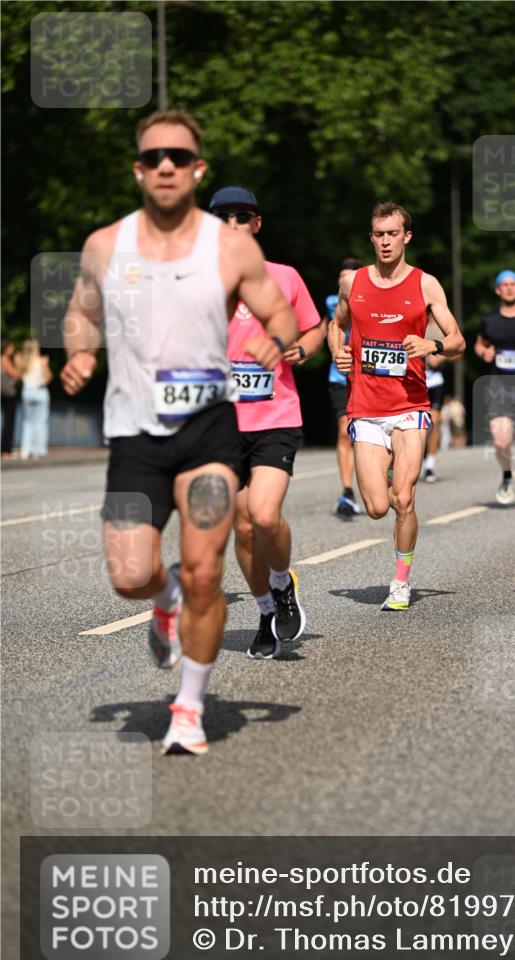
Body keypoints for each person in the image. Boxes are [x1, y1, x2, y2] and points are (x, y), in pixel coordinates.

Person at [61, 110, 298, 754]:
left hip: (208, 438)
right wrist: (81, 352)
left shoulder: (231, 248)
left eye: (178, 155)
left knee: (204, 573)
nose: (165, 165)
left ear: (197, 169)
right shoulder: (107, 245)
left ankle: (188, 707)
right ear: (139, 170)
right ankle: (160, 598)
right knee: (129, 574)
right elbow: (82, 311)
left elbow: (278, 310)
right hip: (136, 436)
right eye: (153, 156)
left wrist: (280, 342)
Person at [329, 201, 465, 610]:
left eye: (392, 234)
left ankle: (401, 581)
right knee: (375, 507)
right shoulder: (353, 283)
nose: (385, 242)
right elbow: (335, 325)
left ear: (406, 236)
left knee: (403, 498)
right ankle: (385, 466)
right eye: (378, 234)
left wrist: (432, 344)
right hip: (367, 408)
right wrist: (338, 353)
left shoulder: (426, 285)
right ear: (371, 238)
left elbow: (457, 340)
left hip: (410, 406)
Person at [208, 185, 322, 659]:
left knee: (265, 514)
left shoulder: (284, 278)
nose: (233, 223)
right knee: (243, 529)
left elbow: (315, 329)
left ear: (257, 224)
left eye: (242, 215)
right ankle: (263, 612)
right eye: (223, 216)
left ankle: (282, 585)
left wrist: (303, 348)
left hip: (276, 415)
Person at [475, 270, 515, 510]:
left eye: (514, 284)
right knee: (501, 443)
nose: (510, 288)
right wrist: (485, 352)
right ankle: (506, 476)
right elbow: (479, 344)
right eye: (505, 285)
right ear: (498, 290)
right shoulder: (490, 320)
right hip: (499, 388)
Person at [322, 258, 364, 517]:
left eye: (348, 276)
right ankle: (347, 491)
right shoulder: (330, 302)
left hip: (370, 376)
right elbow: (329, 327)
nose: (342, 281)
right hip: (340, 377)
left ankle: (386, 472)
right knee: (343, 431)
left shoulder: (374, 300)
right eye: (341, 276)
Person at [422, 318, 449, 483]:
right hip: (411, 378)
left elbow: (458, 350)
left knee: (435, 420)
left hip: (434, 380)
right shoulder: (408, 317)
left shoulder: (441, 324)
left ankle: (430, 464)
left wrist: (442, 357)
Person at [18, 339, 52, 460]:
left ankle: (25, 450)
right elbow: (48, 377)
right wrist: (45, 365)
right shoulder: (41, 361)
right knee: (41, 422)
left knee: (27, 422)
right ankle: (40, 450)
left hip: (27, 392)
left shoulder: (22, 361)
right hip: (40, 391)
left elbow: (19, 376)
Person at [1, 339, 22, 459]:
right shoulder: (4, 359)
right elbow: (16, 375)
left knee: (6, 422)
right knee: (9, 422)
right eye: (11, 347)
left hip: (3, 393)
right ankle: (5, 451)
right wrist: (18, 363)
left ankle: (5, 449)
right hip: (8, 394)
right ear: (6, 348)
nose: (13, 350)